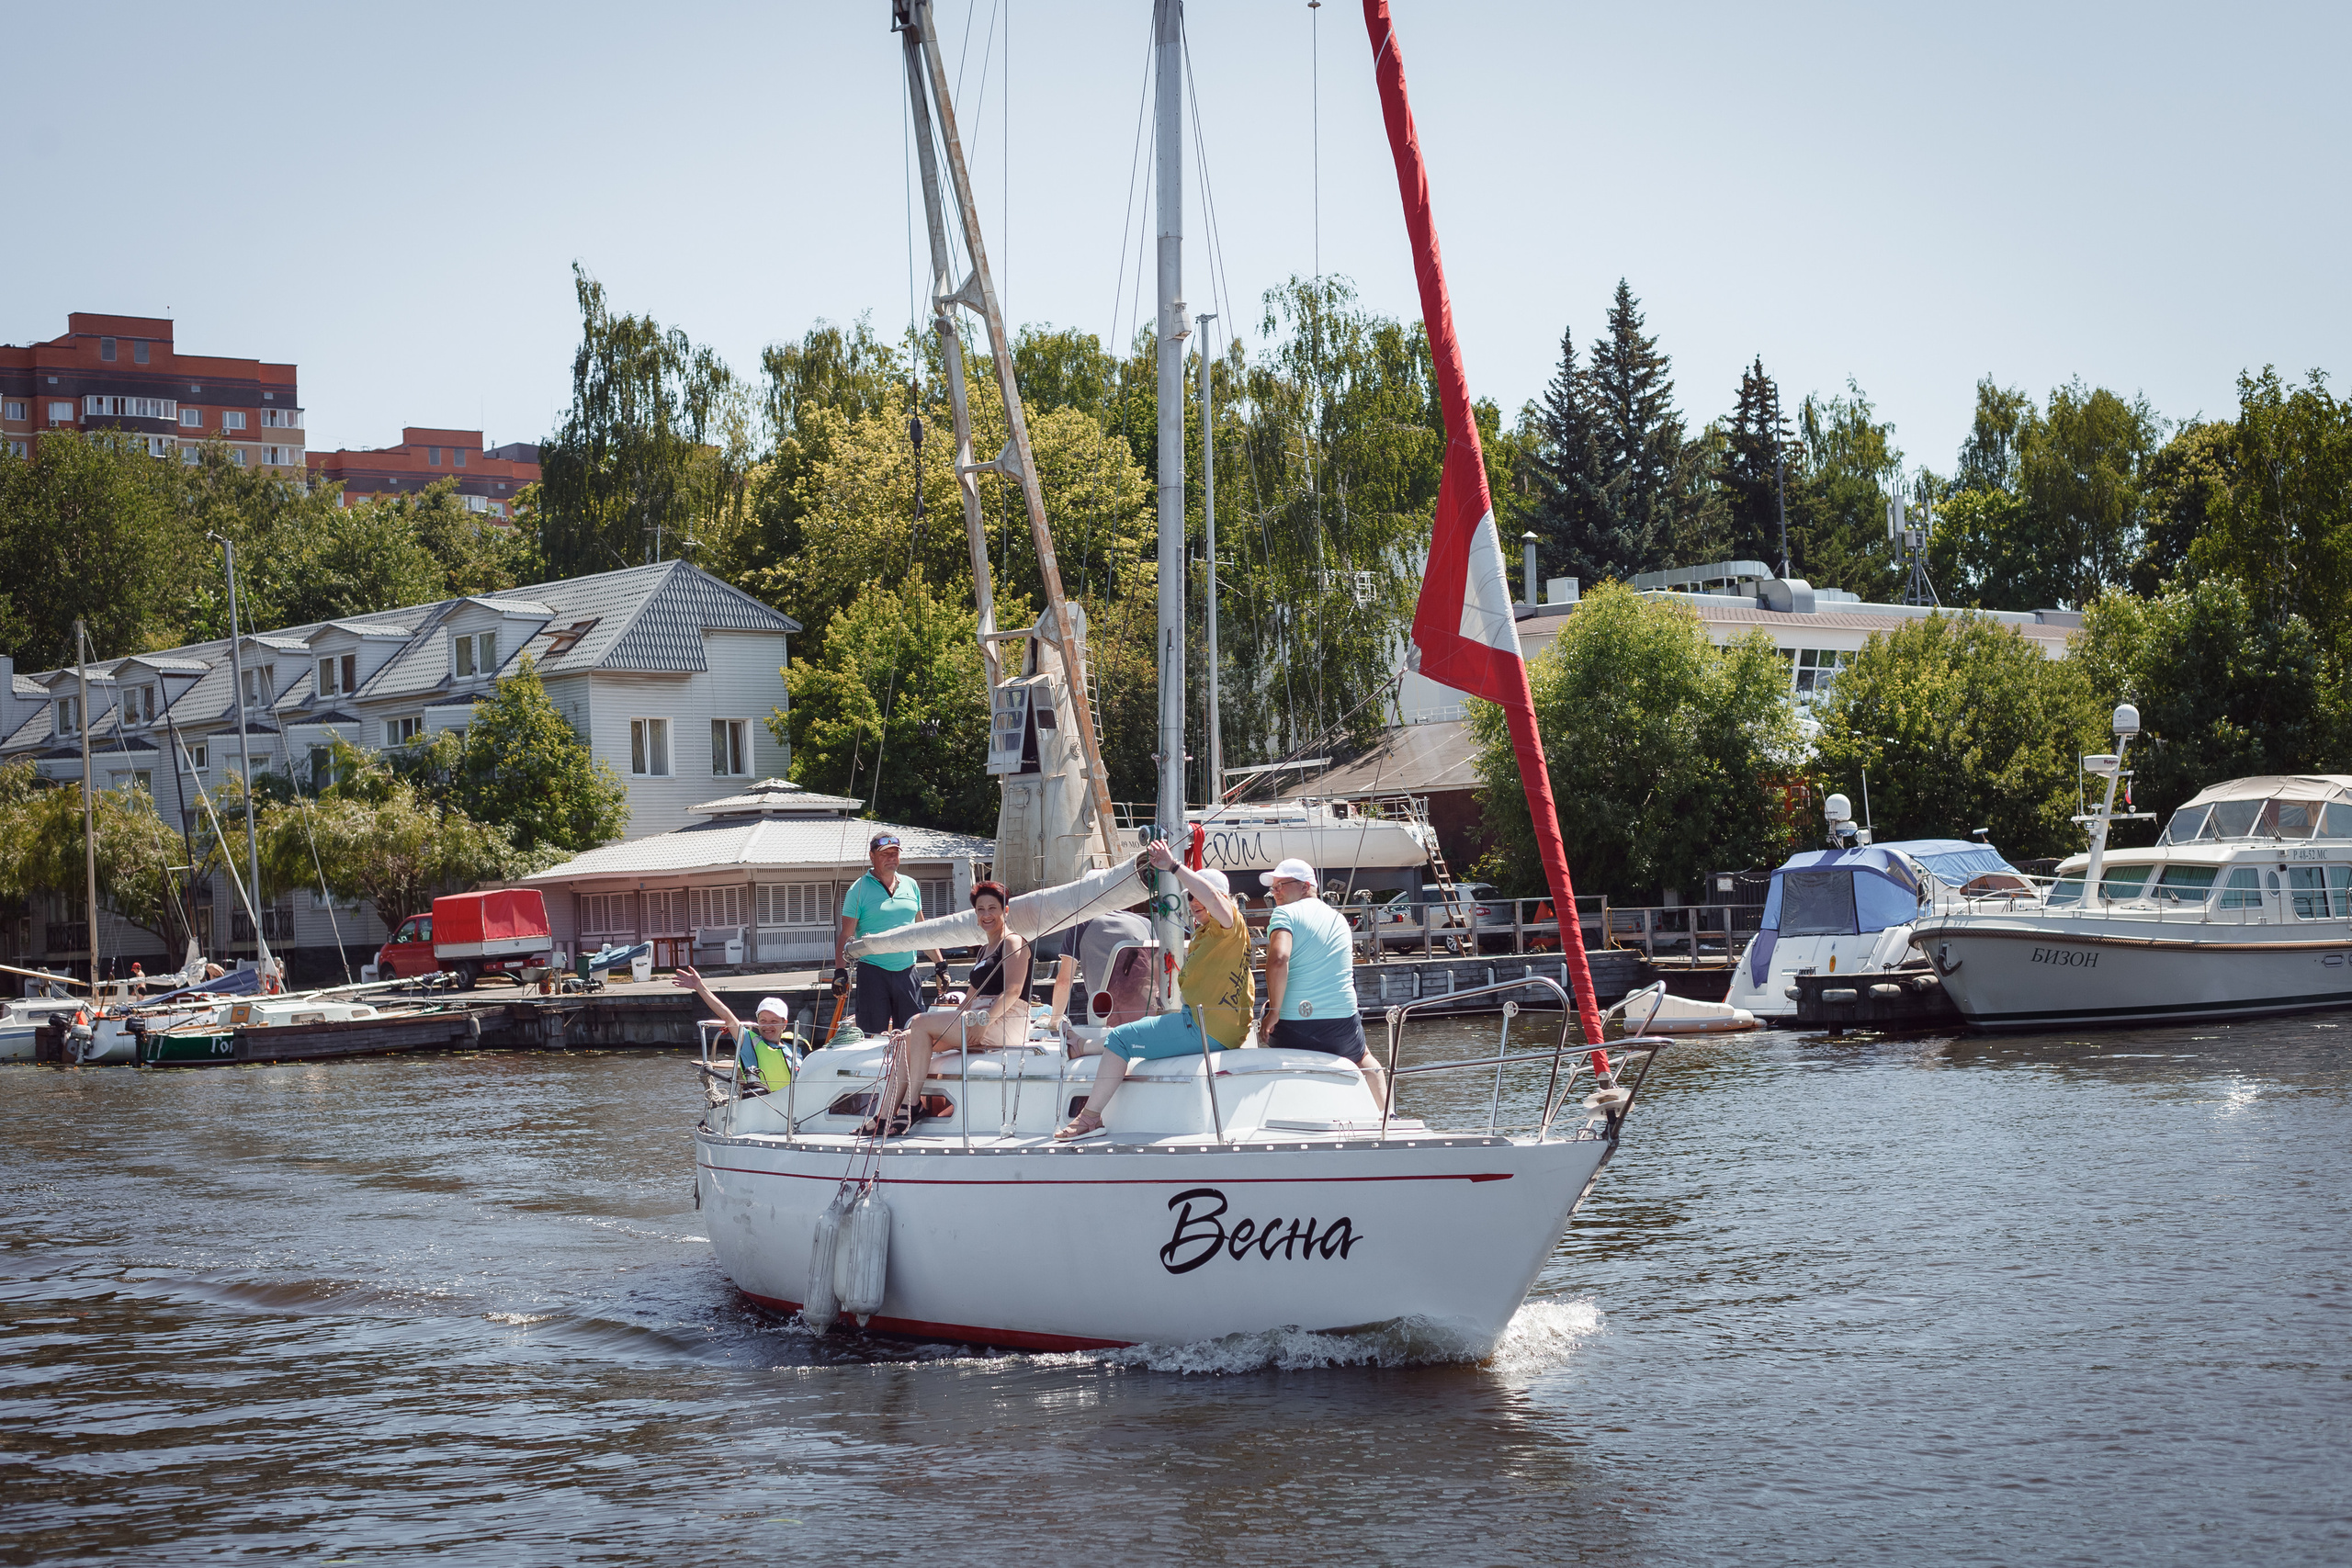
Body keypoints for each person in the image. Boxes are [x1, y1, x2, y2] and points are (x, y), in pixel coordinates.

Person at [1057, 842, 1254, 1139]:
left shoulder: (1228, 923)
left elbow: (1213, 899)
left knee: (1122, 1038)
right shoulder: (1211, 932)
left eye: (1198, 897)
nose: (1193, 902)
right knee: (1133, 1029)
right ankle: (1080, 1046)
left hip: (1203, 1027)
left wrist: (1173, 866)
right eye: (1190, 898)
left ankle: (1090, 1118)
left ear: (1221, 899)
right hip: (1217, 1026)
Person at [865, 881, 1032, 1135]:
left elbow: (1013, 991)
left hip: (1002, 1020)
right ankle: (886, 1113)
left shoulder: (1013, 942)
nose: (986, 915)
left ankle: (911, 1106)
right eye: (980, 909)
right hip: (978, 1016)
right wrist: (955, 1020)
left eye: (992, 908)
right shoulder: (984, 950)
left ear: (1005, 910)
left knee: (919, 1022)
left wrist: (984, 1020)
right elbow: (968, 999)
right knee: (906, 1038)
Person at [1257, 856, 1385, 1106]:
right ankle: (1387, 1116)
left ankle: (1291, 1106)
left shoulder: (1284, 913)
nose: (1275, 892)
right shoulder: (1339, 919)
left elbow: (1279, 959)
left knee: (1264, 1019)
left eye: (1281, 885)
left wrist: (1273, 1011)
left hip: (1295, 1026)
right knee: (1364, 1057)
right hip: (1342, 1025)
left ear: (1305, 886)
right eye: (1273, 888)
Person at [835, 833, 945, 1036]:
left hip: (907, 972)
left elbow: (921, 930)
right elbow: (846, 935)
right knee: (873, 1036)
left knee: (913, 1035)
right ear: (872, 856)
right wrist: (840, 972)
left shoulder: (911, 885)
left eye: (895, 854)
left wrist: (940, 964)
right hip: (873, 972)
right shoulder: (858, 890)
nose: (892, 858)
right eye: (885, 854)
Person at [674, 966, 798, 1095]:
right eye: (763, 1021)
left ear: (784, 1024)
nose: (767, 1026)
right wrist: (699, 987)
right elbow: (727, 1017)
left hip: (795, 1108)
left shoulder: (796, 1049)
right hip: (763, 1107)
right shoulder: (749, 1042)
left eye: (774, 1021)